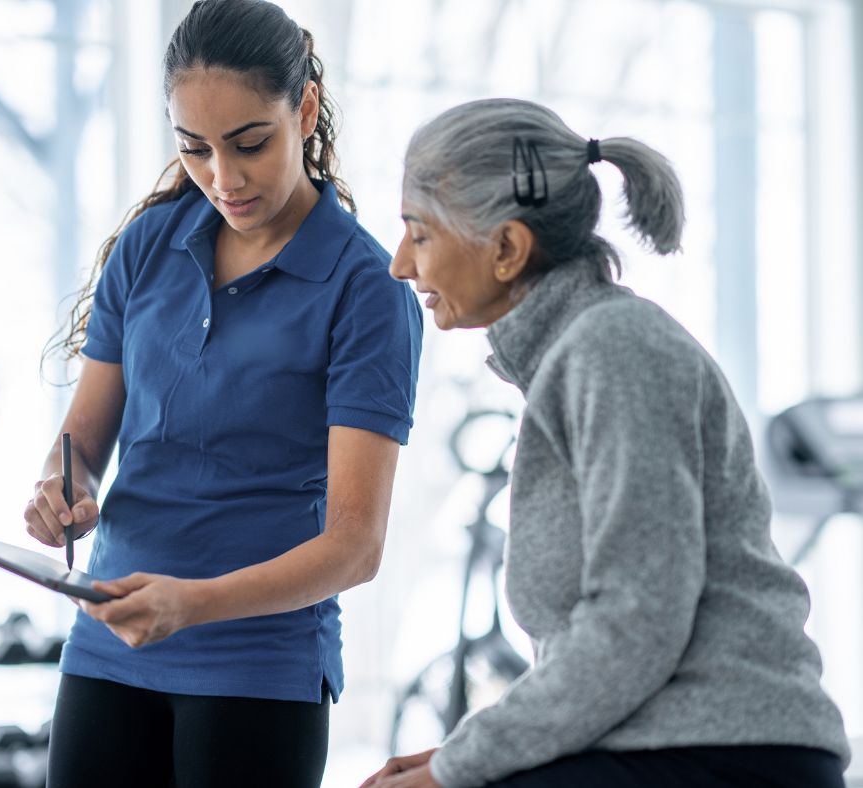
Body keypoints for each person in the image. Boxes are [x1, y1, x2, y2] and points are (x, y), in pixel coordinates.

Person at [362, 98, 849, 788]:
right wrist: (459, 757)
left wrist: (458, 767)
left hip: (723, 750)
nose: (400, 265)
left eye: (420, 233)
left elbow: (636, 621)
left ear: (506, 249)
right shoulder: (576, 354)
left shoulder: (614, 349)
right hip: (664, 746)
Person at [24, 1, 422, 786]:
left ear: (304, 110)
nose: (222, 178)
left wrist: (192, 603)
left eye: (249, 144)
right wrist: (60, 490)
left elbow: (356, 545)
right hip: (110, 645)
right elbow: (84, 442)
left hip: (258, 667)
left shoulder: (367, 290)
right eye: (195, 150)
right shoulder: (148, 246)